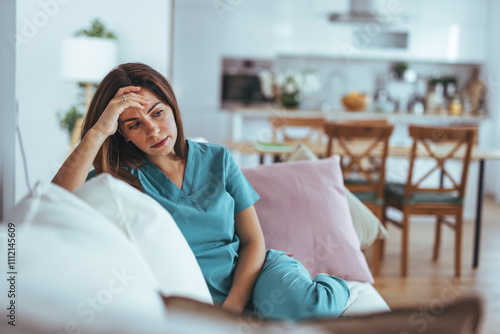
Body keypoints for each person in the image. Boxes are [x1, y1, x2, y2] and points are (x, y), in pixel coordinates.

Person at [52, 62, 350, 320]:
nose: (153, 130)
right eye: (134, 124)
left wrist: (231, 311)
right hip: (191, 295)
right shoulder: (117, 181)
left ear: (172, 106)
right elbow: (54, 203)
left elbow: (253, 241)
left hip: (252, 276)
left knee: (309, 309)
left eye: (157, 113)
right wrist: (98, 131)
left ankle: (335, 285)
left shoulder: (218, 159)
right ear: (123, 134)